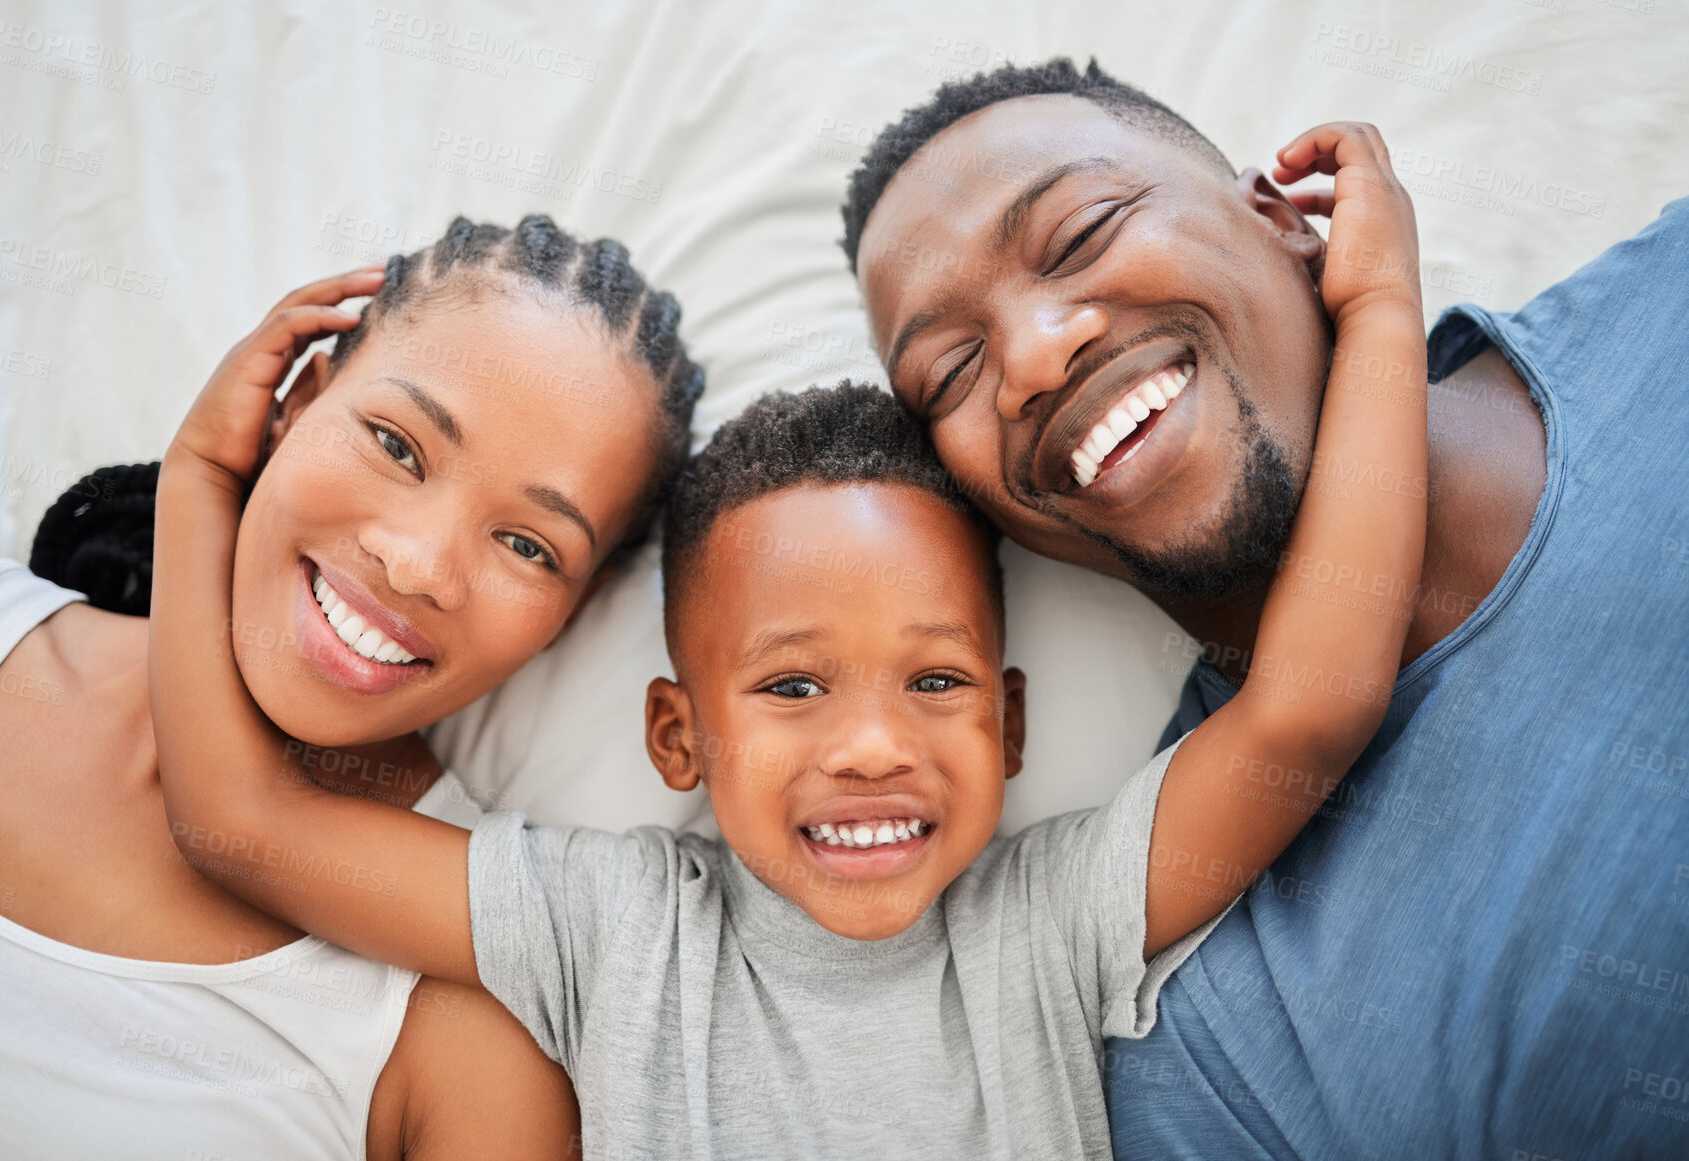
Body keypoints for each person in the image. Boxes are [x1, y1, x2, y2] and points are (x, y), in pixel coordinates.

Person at [145, 124, 1426, 1158]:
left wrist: (1374, 313)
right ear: (678, 736)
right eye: (793, 685)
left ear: (1011, 722)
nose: (871, 746)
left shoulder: (1048, 925)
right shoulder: (610, 930)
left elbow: (1309, 706)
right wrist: (201, 477)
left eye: (935, 681)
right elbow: (239, 825)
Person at [844, 58, 1689, 1157]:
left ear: (1285, 216)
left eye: (1082, 232)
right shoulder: (1217, 1049)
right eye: (953, 371)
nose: (1035, 355)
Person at [0, 214, 704, 1160]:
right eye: (398, 446)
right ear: (297, 399)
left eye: (528, 545)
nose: (419, 564)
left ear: (573, 609)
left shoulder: (474, 1023)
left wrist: (202, 486)